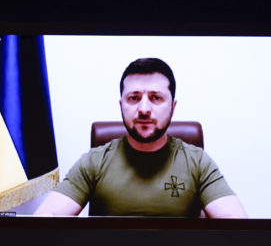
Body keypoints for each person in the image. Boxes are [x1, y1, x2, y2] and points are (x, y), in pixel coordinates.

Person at [34, 57, 246, 218]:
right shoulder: (94, 162)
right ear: (121, 105)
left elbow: (237, 225)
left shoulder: (198, 162)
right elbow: (46, 219)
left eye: (156, 98)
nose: (144, 109)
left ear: (172, 106)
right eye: (134, 98)